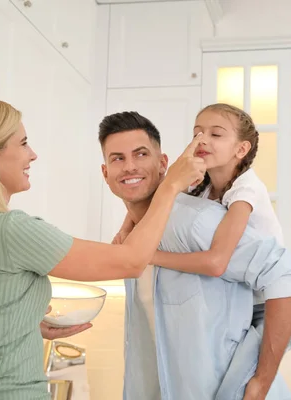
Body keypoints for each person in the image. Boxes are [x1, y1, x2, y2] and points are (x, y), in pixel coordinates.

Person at [0, 95, 206, 400]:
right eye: (23, 143)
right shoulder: (11, 231)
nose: (33, 155)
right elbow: (132, 261)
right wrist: (172, 184)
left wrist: (19, 326)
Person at [99, 111, 291, 400]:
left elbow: (286, 274)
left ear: (164, 165)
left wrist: (262, 381)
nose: (129, 167)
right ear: (105, 172)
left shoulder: (196, 220)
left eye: (141, 154)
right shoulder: (134, 240)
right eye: (117, 158)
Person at [115, 103, 281, 323]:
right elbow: (161, 201)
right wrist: (126, 228)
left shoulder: (246, 189)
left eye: (216, 134)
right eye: (197, 133)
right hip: (234, 298)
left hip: (265, 304)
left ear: (241, 150)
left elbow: (216, 262)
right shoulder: (201, 184)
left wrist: (145, 255)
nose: (202, 140)